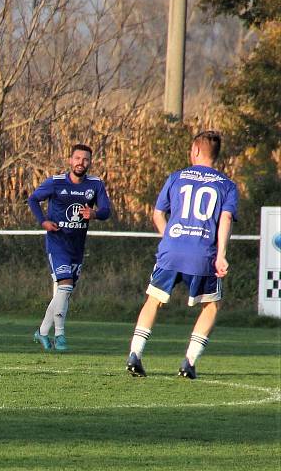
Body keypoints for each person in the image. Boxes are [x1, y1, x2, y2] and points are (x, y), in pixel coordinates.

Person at [126, 131, 238, 380]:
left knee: (153, 300)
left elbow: (157, 214)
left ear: (196, 150)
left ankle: (135, 354)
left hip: (171, 252)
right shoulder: (227, 185)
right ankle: (188, 362)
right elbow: (226, 218)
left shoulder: (176, 177)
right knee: (211, 306)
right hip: (203, 255)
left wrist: (171, 240)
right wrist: (221, 255)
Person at [27, 143, 111, 351]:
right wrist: (43, 221)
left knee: (64, 292)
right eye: (77, 158)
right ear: (70, 160)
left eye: (85, 159)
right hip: (57, 243)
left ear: (90, 162)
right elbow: (33, 199)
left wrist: (95, 214)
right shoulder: (55, 183)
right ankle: (61, 335)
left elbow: (106, 210)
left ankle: (42, 332)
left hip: (77, 246)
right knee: (64, 285)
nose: (81, 163)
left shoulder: (95, 185)